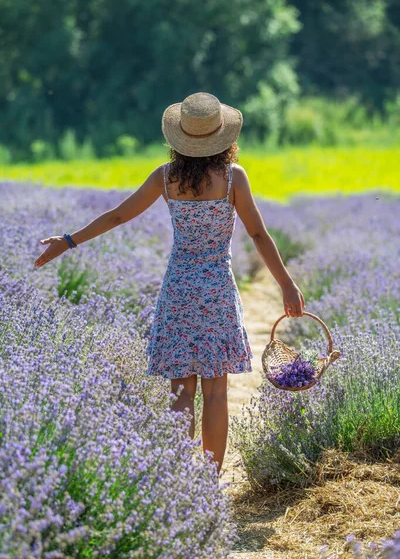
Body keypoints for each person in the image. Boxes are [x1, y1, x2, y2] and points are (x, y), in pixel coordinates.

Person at [34, 92, 306, 477]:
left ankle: (179, 481)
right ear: (222, 138)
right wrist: (287, 284)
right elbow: (259, 235)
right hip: (216, 291)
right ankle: (209, 483)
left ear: (178, 138)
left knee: (181, 390)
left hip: (178, 288)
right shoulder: (232, 179)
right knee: (215, 392)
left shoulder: (166, 177)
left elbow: (116, 217)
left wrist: (69, 240)